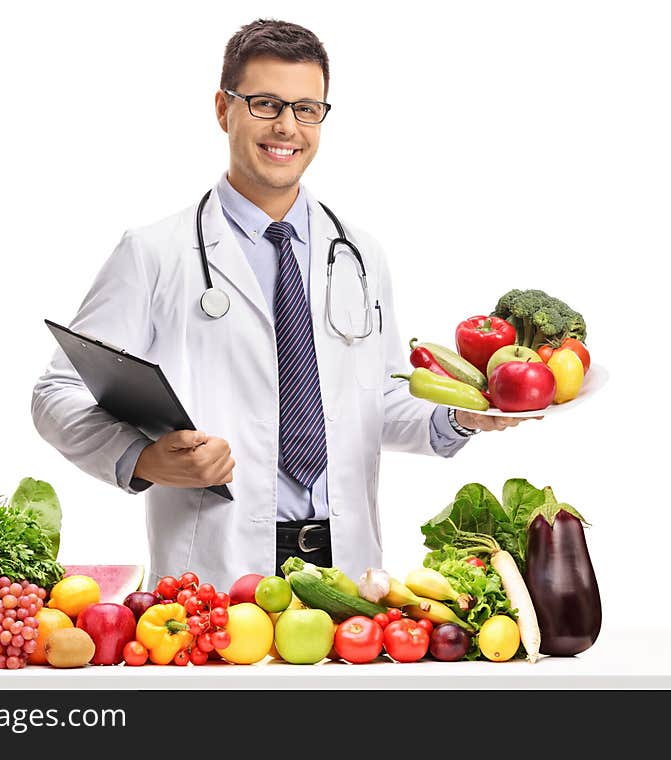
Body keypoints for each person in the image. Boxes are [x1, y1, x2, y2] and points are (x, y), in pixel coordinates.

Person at [31, 18, 536, 590]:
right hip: (217, 574)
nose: (287, 127)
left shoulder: (361, 255)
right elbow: (56, 393)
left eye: (307, 108)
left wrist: (458, 417)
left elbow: (381, 401)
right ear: (224, 110)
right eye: (267, 103)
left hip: (348, 573)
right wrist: (141, 457)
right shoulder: (153, 253)